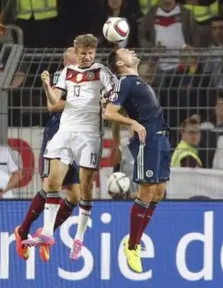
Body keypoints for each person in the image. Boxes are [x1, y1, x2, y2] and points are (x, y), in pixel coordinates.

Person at [22, 35, 115, 262]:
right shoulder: (64, 73)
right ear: (75, 53)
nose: (86, 56)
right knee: (52, 182)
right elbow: (53, 102)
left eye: (90, 52)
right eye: (82, 52)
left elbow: (114, 93)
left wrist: (104, 101)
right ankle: (42, 232)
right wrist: (46, 83)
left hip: (89, 134)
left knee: (82, 189)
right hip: (62, 132)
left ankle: (77, 237)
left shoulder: (101, 72)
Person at [104, 48, 171, 273]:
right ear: (120, 64)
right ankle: (132, 245)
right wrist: (133, 124)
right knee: (146, 191)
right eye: (124, 51)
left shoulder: (137, 81)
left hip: (160, 138)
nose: (130, 50)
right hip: (147, 140)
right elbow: (109, 112)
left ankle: (135, 240)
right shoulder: (125, 82)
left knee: (159, 192)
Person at [14, 47, 83, 262]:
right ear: (65, 63)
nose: (77, 64)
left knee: (75, 196)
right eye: (73, 62)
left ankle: (44, 232)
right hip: (56, 135)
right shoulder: (58, 77)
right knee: (50, 187)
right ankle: (23, 231)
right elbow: (52, 105)